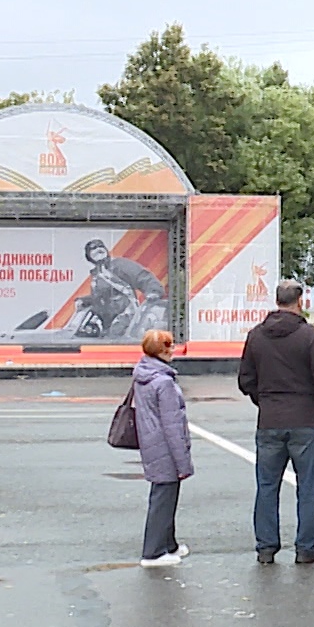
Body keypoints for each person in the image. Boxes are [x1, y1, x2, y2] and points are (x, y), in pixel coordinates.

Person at [237, 279, 314, 564]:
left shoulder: (256, 336)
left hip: (269, 419)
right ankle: (305, 547)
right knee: (309, 487)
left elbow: (246, 379)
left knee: (267, 487)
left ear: (277, 301)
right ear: (300, 301)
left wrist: (263, 400)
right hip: (305, 419)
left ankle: (266, 547)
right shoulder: (309, 336)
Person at [134, 329, 193, 567]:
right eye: (169, 346)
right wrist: (183, 462)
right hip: (165, 446)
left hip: (150, 440)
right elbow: (172, 425)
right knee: (163, 498)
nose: (173, 349)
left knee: (164, 495)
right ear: (161, 351)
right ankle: (153, 552)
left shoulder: (143, 374)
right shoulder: (164, 382)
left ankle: (169, 544)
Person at [81, 239, 168, 339]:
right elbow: (102, 297)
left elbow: (141, 276)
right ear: (89, 256)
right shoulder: (98, 274)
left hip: (125, 318)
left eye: (101, 246)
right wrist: (86, 301)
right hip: (108, 323)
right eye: (94, 248)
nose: (98, 249)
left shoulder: (120, 265)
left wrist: (154, 291)